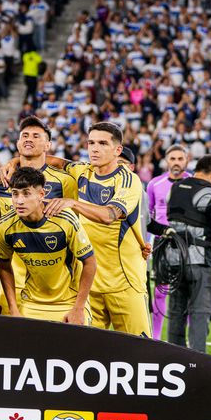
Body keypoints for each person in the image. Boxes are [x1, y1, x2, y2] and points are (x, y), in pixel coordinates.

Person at [45, 122, 152, 337]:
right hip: (89, 284)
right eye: (91, 143)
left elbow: (109, 216)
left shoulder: (129, 180)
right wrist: (16, 159)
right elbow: (53, 161)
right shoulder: (83, 171)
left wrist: (73, 203)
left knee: (140, 353)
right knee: (89, 353)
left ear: (117, 150)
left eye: (103, 143)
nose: (94, 148)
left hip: (125, 283)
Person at [0, 116, 77, 314]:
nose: (29, 139)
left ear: (48, 145)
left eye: (36, 136)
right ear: (18, 142)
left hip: (51, 284)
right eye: (25, 135)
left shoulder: (65, 181)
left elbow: (73, 225)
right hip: (11, 277)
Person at [0, 166, 97, 325]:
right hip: (32, 304)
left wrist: (78, 308)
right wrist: (13, 308)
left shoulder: (64, 219)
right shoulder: (5, 227)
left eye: (26, 194)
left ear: (41, 194)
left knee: (73, 350)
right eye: (15, 194)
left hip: (68, 303)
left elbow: (90, 262)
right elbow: (4, 264)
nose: (19, 200)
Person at [163, 155, 211, 353]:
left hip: (174, 260)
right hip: (200, 261)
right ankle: (197, 359)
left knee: (176, 312)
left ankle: (174, 359)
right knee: (200, 312)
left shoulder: (175, 188)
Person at [146, 144, 189, 339]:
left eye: (180, 159)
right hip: (162, 242)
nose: (176, 163)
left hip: (187, 243)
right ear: (166, 161)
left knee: (186, 291)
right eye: (173, 159)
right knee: (160, 291)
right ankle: (156, 338)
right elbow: (148, 217)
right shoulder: (155, 184)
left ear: (186, 161)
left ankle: (182, 335)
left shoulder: (195, 183)